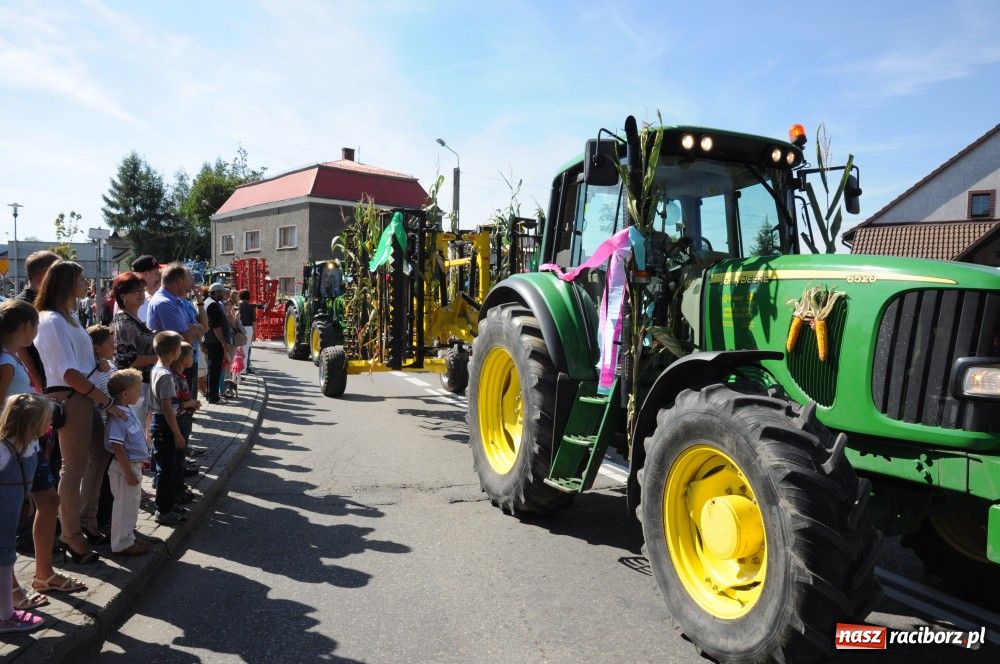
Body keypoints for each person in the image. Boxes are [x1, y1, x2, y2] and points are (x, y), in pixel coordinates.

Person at [35, 261, 125, 564]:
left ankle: (86, 518)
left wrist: (96, 366)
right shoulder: (51, 320)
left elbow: (77, 363)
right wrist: (105, 400)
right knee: (72, 468)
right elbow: (66, 372)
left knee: (98, 455)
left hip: (83, 395)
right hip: (72, 397)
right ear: (65, 282)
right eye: (80, 277)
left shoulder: (68, 316)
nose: (85, 281)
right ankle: (70, 534)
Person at [0, 300, 84, 610]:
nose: (37, 332)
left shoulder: (13, 357)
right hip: (13, 450)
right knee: (7, 521)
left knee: (49, 501)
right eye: (35, 326)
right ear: (25, 326)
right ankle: (10, 592)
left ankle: (44, 574)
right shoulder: (5, 362)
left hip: (30, 446)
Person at [0, 394, 54, 633]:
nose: (50, 425)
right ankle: (5, 616)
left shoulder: (29, 444)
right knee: (3, 559)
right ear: (32, 423)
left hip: (10, 515)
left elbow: (24, 476)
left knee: (6, 558)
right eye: (46, 420)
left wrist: (27, 495)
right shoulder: (3, 450)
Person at [104, 369, 150, 555]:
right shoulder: (118, 418)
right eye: (137, 390)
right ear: (124, 394)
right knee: (124, 507)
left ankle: (128, 537)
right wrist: (128, 472)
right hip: (125, 468)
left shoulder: (127, 411)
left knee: (131, 505)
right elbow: (117, 446)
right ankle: (121, 544)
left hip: (133, 466)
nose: (140, 393)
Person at [110, 272, 157, 436]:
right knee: (135, 433)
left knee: (144, 432)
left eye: (142, 290)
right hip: (133, 387)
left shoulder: (134, 319)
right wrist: (159, 358)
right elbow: (127, 360)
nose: (141, 294)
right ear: (123, 296)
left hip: (141, 385)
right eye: (135, 291)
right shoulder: (124, 322)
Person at [149, 331, 187, 524]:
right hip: (165, 425)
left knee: (169, 466)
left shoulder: (157, 368)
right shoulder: (165, 376)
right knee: (166, 469)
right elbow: (167, 408)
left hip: (162, 424)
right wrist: (178, 434)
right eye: (180, 348)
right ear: (174, 351)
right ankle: (163, 510)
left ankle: (169, 504)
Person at [15, 251, 60, 392]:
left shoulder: (48, 299)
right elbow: (20, 348)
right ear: (44, 275)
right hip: (43, 385)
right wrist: (38, 384)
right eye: (57, 271)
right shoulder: (22, 305)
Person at [170, 343, 200, 505]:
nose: (192, 359)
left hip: (184, 420)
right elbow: (172, 406)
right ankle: (175, 491)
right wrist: (188, 404)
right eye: (190, 356)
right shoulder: (173, 377)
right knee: (176, 458)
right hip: (178, 422)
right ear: (182, 359)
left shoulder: (181, 375)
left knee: (180, 458)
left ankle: (179, 488)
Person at [202, 284, 235, 404]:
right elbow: (216, 327)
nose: (224, 294)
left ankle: (211, 394)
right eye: (222, 292)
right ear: (216, 292)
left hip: (212, 341)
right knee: (214, 370)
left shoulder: (209, 302)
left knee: (213, 370)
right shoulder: (213, 305)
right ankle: (213, 397)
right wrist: (223, 343)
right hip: (215, 342)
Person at [124, 255, 161, 323]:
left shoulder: (162, 294)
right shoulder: (134, 299)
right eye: (156, 273)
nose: (159, 275)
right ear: (145, 274)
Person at [237, 290, 256, 374]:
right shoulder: (251, 306)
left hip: (238, 328)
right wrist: (255, 333)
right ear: (248, 297)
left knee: (237, 349)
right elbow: (254, 321)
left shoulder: (237, 305)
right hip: (248, 329)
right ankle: (244, 370)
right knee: (247, 349)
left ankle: (237, 369)